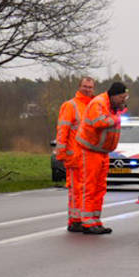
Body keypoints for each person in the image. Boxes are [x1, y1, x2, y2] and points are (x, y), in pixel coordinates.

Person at [71, 80, 128, 234]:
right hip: (89, 150)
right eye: (122, 98)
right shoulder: (99, 103)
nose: (123, 101)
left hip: (102, 152)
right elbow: (99, 122)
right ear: (114, 96)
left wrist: (117, 112)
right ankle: (87, 222)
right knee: (89, 186)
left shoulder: (112, 107)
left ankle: (95, 220)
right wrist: (116, 118)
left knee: (100, 188)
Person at [55, 75, 96, 232]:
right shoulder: (70, 106)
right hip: (75, 156)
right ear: (79, 87)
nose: (87, 89)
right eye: (85, 86)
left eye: (90, 87)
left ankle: (82, 219)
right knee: (76, 190)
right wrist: (62, 153)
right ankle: (74, 220)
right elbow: (62, 130)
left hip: (89, 157)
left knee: (86, 190)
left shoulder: (93, 106)